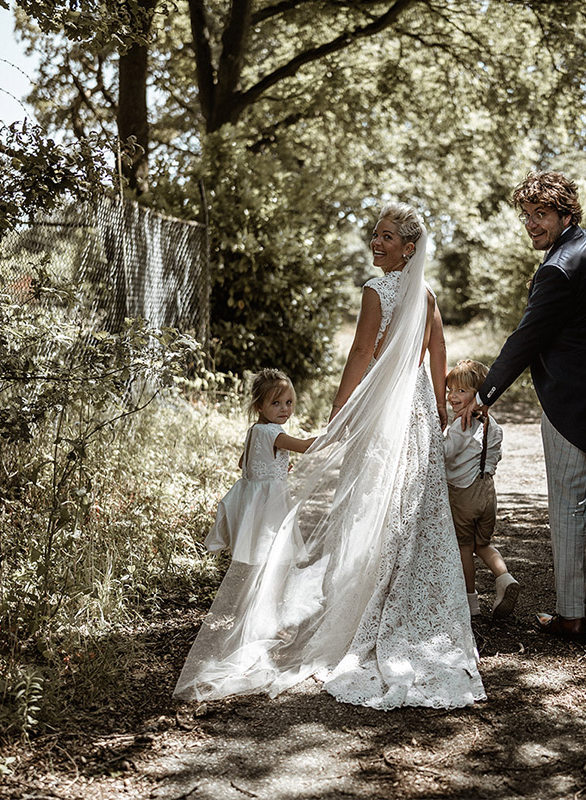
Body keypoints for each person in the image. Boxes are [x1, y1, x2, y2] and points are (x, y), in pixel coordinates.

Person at [174, 202, 484, 710]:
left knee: (374, 496)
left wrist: (341, 412)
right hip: (418, 409)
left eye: (386, 237)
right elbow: (439, 353)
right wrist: (439, 410)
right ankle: (400, 595)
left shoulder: (376, 290)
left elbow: (361, 354)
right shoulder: (425, 294)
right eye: (375, 234)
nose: (375, 242)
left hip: (384, 409)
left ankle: (373, 596)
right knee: (409, 501)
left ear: (409, 247)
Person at [459, 171, 586, 646]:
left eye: (541, 214)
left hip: (572, 404)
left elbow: (527, 337)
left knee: (568, 504)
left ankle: (570, 617)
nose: (531, 224)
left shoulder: (556, 268)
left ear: (567, 212)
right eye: (526, 216)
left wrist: (484, 394)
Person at [205, 369, 317, 565]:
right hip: (269, 498)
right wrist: (334, 435)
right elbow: (305, 446)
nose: (284, 409)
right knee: (271, 542)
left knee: (255, 542)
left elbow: (244, 462)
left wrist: (274, 466)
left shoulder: (254, 430)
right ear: (259, 406)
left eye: (288, 402)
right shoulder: (272, 432)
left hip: (251, 496)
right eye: (276, 403)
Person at [443, 359, 519, 619]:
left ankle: (470, 602)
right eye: (450, 390)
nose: (453, 396)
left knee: (465, 547)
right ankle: (504, 577)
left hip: (464, 494)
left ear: (478, 394)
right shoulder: (494, 426)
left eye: (462, 391)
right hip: (488, 492)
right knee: (483, 544)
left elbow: (444, 455)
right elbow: (495, 457)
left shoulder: (461, 426)